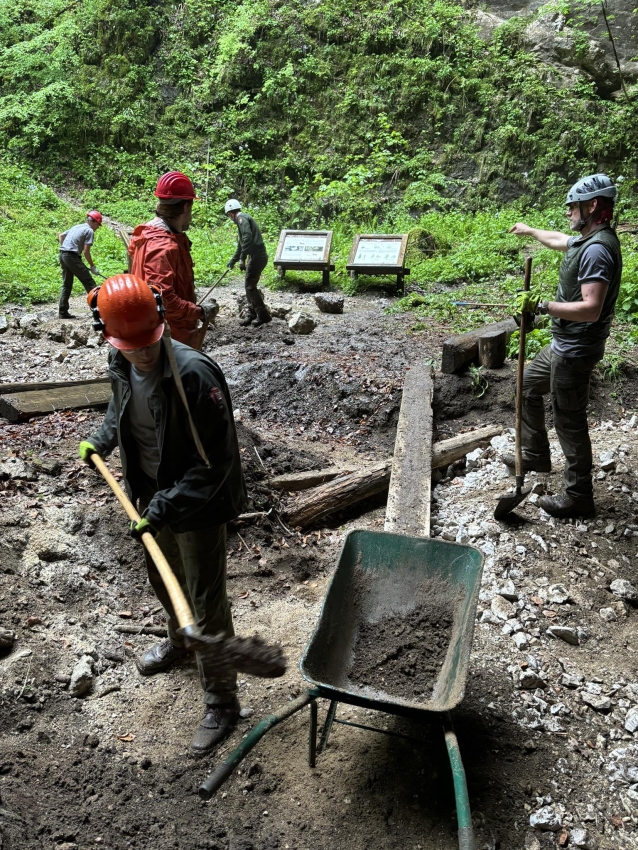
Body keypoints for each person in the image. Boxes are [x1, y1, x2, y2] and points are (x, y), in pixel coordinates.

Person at [78, 273, 247, 753]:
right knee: (162, 576)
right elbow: (121, 409)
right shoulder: (120, 357)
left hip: (197, 502)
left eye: (148, 342)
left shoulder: (194, 374)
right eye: (130, 346)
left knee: (206, 600)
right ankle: (178, 642)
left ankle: (222, 700)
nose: (142, 353)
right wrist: (103, 439)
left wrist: (166, 505)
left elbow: (216, 464)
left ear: (161, 322)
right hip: (147, 495)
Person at [506, 173, 622, 518]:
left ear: (594, 205)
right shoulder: (587, 239)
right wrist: (529, 230)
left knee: (569, 422)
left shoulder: (598, 250)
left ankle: (578, 496)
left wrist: (542, 307)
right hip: (562, 344)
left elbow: (591, 309)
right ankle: (537, 455)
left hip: (576, 351)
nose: (569, 211)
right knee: (526, 384)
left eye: (574, 205)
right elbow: (559, 239)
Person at [128, 171, 217, 348]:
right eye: (191, 208)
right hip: (168, 340)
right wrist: (199, 312)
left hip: (155, 333)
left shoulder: (144, 235)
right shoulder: (162, 245)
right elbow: (164, 300)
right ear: (185, 207)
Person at [224, 199, 271, 327]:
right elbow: (241, 245)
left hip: (257, 256)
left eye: (229, 215)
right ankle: (252, 314)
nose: (230, 218)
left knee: (250, 286)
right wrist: (233, 261)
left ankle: (263, 316)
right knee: (249, 286)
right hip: (256, 256)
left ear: (231, 213)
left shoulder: (241, 219)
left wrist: (242, 259)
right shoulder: (242, 221)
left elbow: (247, 238)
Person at [57, 211, 104, 319]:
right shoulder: (89, 231)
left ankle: (62, 312)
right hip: (71, 257)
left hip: (63, 254)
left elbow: (61, 236)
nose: (98, 227)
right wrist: (92, 267)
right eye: (98, 224)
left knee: (66, 284)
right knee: (89, 282)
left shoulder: (78, 226)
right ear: (93, 222)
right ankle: (99, 311)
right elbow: (86, 251)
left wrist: (66, 248)